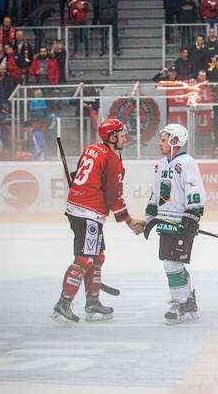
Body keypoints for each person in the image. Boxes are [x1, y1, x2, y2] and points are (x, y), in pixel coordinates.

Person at [51, 119, 145, 325]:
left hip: (78, 209)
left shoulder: (91, 149)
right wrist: (129, 221)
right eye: (121, 134)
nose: (124, 137)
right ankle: (63, 304)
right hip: (89, 213)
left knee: (97, 256)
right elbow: (114, 196)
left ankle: (92, 303)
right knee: (85, 259)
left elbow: (82, 176)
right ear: (111, 137)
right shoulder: (112, 159)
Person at [142, 124, 205, 324]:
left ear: (175, 141)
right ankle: (189, 302)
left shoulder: (186, 163)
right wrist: (145, 220)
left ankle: (179, 305)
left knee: (172, 264)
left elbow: (195, 192)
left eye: (164, 138)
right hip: (166, 222)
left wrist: (192, 217)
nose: (160, 142)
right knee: (173, 263)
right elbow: (156, 196)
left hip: (181, 221)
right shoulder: (161, 164)